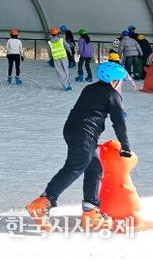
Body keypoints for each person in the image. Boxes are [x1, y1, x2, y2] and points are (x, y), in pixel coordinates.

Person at [26, 62, 132, 232]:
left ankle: (90, 211)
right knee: (75, 166)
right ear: (115, 81)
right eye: (120, 81)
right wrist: (125, 146)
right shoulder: (112, 95)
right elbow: (119, 123)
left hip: (72, 129)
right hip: (84, 134)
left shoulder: (90, 88)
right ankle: (43, 203)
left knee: (94, 168)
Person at [48, 27, 72, 91]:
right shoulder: (61, 40)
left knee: (60, 72)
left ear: (51, 34)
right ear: (57, 33)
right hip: (64, 57)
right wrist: (70, 52)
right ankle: (68, 84)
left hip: (56, 58)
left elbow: (49, 51)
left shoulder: (50, 42)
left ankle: (66, 86)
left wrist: (51, 57)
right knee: (66, 70)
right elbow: (67, 46)